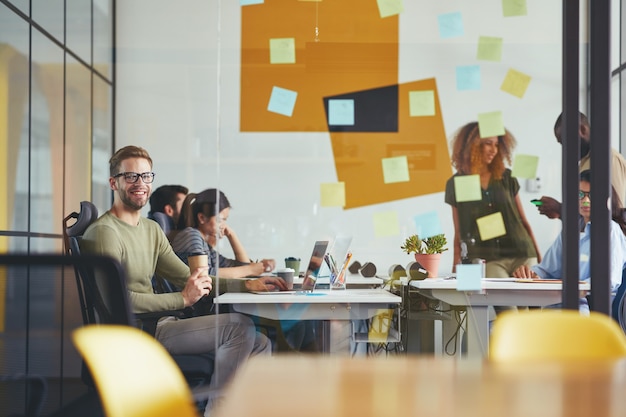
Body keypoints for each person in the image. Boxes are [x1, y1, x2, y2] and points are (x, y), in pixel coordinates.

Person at [80, 145, 287, 415]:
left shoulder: (151, 229)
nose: (140, 183)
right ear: (113, 182)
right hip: (137, 332)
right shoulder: (104, 232)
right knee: (239, 327)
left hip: (160, 323)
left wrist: (246, 284)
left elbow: (188, 276)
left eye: (146, 176)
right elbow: (118, 301)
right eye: (130, 176)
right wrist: (182, 298)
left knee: (260, 342)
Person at [514, 170, 626, 313]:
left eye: (591, 195)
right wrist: (530, 274)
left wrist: (575, 287)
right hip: (559, 305)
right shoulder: (571, 230)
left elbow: (610, 280)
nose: (585, 201)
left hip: (590, 310)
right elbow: (547, 269)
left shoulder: (610, 230)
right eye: (580, 195)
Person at [445, 121, 541, 278]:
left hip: (523, 253)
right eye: (488, 144)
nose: (493, 150)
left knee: (528, 303)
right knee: (506, 303)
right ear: (472, 146)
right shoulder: (457, 183)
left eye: (497, 145)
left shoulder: (506, 177)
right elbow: (460, 232)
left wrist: (540, 258)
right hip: (488, 259)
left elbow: (523, 220)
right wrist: (456, 272)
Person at [537, 111, 626, 219]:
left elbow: (614, 211)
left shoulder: (608, 159)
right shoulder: (585, 162)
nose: (565, 149)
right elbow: (584, 215)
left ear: (582, 130)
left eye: (566, 142)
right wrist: (560, 214)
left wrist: (560, 208)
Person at [170, 189, 275, 278]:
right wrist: (250, 270)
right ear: (202, 218)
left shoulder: (204, 244)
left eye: (225, 220)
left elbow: (241, 266)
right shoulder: (191, 236)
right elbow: (204, 274)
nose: (224, 225)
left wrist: (231, 235)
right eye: (220, 220)